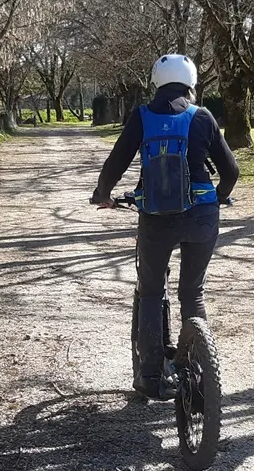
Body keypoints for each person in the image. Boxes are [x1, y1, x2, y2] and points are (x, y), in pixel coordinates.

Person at [92, 54, 239, 399]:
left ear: (156, 81)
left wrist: (103, 193)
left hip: (156, 219)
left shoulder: (142, 116)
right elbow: (231, 172)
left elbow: (116, 161)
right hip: (201, 217)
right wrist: (218, 197)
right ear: (191, 81)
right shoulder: (202, 116)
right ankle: (199, 370)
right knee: (193, 291)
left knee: (151, 291)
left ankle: (151, 375)